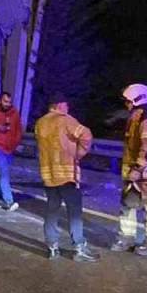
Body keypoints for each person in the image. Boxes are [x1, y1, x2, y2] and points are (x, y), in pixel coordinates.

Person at [34, 92, 99, 262]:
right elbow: (86, 134)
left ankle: (52, 247)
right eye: (66, 104)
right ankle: (79, 248)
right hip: (66, 174)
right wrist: (78, 153)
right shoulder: (65, 119)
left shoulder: (40, 123)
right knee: (74, 212)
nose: (68, 107)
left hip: (49, 175)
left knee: (51, 210)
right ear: (58, 105)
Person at [111, 83, 147, 256]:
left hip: (145, 174)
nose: (126, 104)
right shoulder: (140, 118)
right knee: (129, 206)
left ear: (137, 100)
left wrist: (137, 169)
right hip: (141, 172)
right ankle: (127, 239)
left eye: (128, 101)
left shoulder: (146, 120)